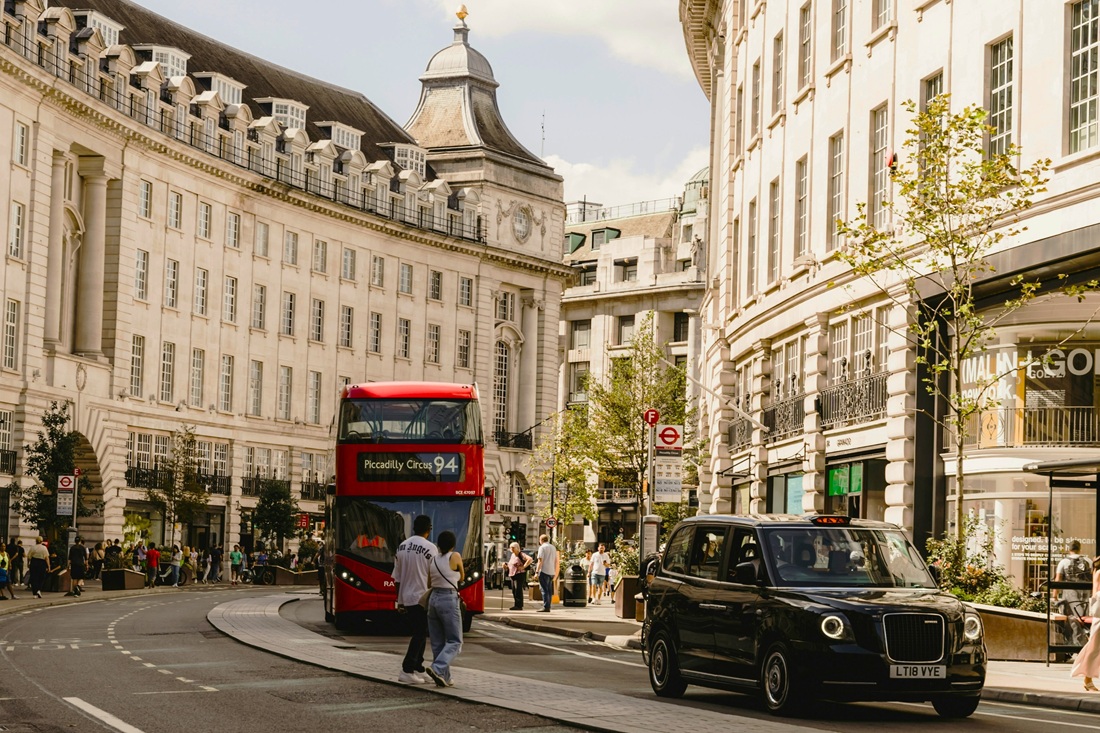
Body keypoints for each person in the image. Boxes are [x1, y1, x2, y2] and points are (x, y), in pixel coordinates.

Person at [392, 514, 434, 684]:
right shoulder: (431, 548)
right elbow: (434, 575)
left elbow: (397, 578)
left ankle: (418, 666)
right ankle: (407, 669)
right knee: (419, 633)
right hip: (422, 596)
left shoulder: (402, 547)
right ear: (428, 529)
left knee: (421, 632)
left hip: (407, 596)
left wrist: (399, 600)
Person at [425, 530, 464, 687]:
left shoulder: (433, 560)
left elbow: (428, 583)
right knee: (455, 641)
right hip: (448, 598)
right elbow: (461, 576)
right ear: (453, 545)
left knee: (438, 642)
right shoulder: (455, 556)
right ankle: (437, 668)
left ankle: (444, 677)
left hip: (433, 599)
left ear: (438, 545)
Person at [1071, 556, 1100, 691]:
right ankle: (1087, 679)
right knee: (1094, 647)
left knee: (1094, 647)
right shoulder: (1099, 573)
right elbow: (1096, 593)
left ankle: (1088, 679)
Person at [1056, 540, 1093, 620]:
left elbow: (1057, 580)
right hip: (1085, 594)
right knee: (1083, 616)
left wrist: (1055, 596)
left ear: (1069, 549)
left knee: (1070, 617)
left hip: (1069, 594)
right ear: (1080, 549)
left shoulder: (1063, 562)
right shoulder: (1089, 561)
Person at [503, 541, 532, 610]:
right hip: (512, 574)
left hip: (519, 574)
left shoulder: (521, 554)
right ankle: (516, 604)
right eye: (511, 548)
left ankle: (519, 605)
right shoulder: (513, 555)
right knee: (514, 590)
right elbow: (511, 564)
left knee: (518, 589)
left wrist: (523, 567)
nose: (512, 549)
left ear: (517, 548)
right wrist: (506, 566)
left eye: (513, 548)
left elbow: (530, 559)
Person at [534, 534, 559, 613]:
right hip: (551, 571)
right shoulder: (553, 547)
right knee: (548, 590)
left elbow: (540, 561)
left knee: (544, 590)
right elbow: (556, 560)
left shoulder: (542, 548)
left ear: (541, 540)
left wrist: (537, 572)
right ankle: (548, 606)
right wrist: (555, 571)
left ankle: (546, 607)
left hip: (544, 571)